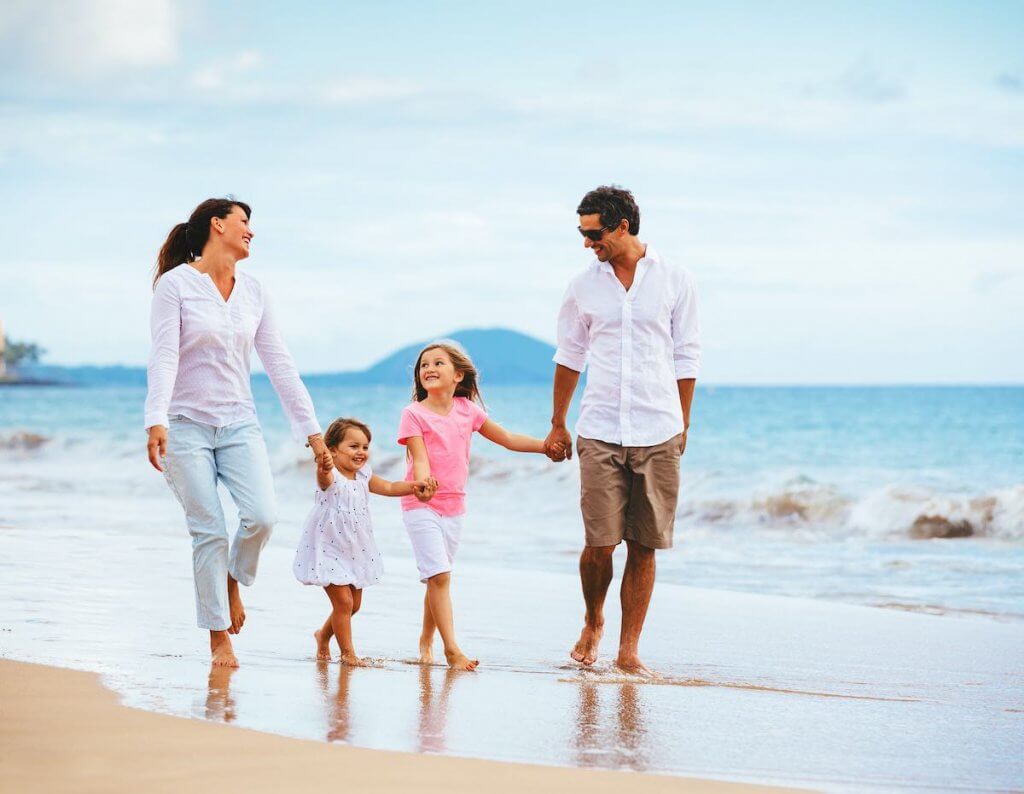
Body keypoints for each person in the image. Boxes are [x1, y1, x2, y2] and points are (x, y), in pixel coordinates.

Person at [144, 197, 330, 668]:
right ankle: (218, 636)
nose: (251, 231)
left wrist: (313, 434)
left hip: (239, 423)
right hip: (185, 426)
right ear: (217, 225)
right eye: (244, 222)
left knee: (262, 517)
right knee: (208, 530)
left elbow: (280, 366)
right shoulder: (176, 285)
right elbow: (164, 355)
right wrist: (156, 418)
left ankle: (232, 581)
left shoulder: (255, 291)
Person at [544, 185, 701, 676]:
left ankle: (628, 650)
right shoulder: (583, 286)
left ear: (622, 226)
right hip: (600, 427)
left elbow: (687, 354)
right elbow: (569, 355)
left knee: (644, 543)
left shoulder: (675, 279)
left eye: (594, 234)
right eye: (583, 234)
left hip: (659, 428)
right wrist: (557, 423)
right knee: (599, 543)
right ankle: (593, 619)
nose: (588, 244)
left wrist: (683, 422)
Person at [398, 341, 560, 671]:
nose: (428, 368)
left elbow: (507, 438)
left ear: (458, 375)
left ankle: (426, 639)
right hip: (420, 503)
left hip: (455, 506)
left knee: (436, 576)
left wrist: (545, 446)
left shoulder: (467, 410)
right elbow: (420, 457)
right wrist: (424, 483)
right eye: (424, 364)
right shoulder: (413, 413)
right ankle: (452, 650)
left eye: (438, 363)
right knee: (439, 575)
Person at [294, 417, 436, 666]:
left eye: (365, 447)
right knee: (344, 602)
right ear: (333, 450)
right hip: (328, 546)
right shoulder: (331, 475)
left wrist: (414, 486)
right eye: (353, 446)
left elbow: (390, 487)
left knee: (353, 605)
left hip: (355, 548)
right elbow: (323, 480)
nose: (361, 452)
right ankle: (348, 654)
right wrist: (323, 466)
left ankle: (323, 636)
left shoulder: (363, 476)